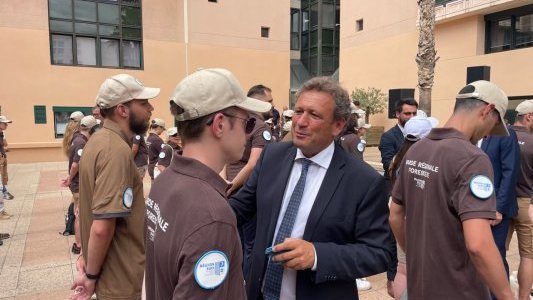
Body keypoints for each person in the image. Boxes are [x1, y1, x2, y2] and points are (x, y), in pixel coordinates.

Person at [230, 76, 392, 300]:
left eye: (314, 115)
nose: (300, 122)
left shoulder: (363, 181)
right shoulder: (272, 156)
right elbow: (239, 207)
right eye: (298, 111)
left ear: (338, 125)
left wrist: (317, 255)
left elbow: (379, 253)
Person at [144, 68, 271, 299]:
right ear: (220, 124)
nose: (248, 133)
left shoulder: (164, 183)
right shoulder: (213, 215)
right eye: (248, 123)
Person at [389, 80, 514, 300]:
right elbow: (478, 244)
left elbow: (395, 214)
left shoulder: (417, 149)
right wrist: (506, 295)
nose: (487, 135)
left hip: (420, 285)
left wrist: (419, 256)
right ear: (488, 110)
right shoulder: (472, 158)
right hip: (459, 289)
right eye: (493, 126)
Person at [71, 74, 159, 300]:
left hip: (112, 275)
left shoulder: (98, 141)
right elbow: (102, 226)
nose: (151, 108)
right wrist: (90, 276)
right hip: (119, 280)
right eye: (143, 103)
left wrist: (85, 258)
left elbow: (88, 207)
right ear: (122, 110)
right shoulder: (115, 150)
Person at [224, 84, 274, 278]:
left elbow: (226, 157)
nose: (273, 105)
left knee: (237, 242)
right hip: (246, 192)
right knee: (251, 244)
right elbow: (254, 164)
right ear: (258, 102)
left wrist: (226, 184)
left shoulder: (238, 123)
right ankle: (246, 285)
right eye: (269, 101)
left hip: (231, 190)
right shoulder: (260, 126)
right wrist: (233, 185)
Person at [387, 115, 438, 300]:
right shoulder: (425, 159)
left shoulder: (397, 157)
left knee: (403, 268)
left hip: (398, 213)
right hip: (418, 216)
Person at [378, 97, 418, 294]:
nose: (411, 117)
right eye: (407, 113)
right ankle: (392, 280)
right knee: (393, 242)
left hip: (416, 199)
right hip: (394, 196)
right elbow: (389, 167)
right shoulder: (389, 137)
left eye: (414, 113)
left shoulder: (422, 136)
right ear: (397, 114)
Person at [478, 119, 520, 294]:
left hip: (496, 209)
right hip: (473, 207)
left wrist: (499, 208)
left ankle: (498, 295)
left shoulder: (506, 134)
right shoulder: (472, 134)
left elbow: (510, 172)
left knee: (494, 256)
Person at [61, 116, 99, 255]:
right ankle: (80, 245)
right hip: (79, 186)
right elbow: (76, 164)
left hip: (77, 184)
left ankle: (79, 244)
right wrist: (70, 179)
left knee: (79, 213)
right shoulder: (81, 143)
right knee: (81, 215)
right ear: (92, 129)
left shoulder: (76, 138)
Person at [507, 99, 533, 300]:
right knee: (528, 255)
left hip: (502, 201)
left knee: (497, 251)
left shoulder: (500, 135)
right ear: (529, 117)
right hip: (527, 203)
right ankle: (523, 298)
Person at [0, 116, 13, 219]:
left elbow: (5, 144)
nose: (6, 125)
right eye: (5, 123)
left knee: (2, 183)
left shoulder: (1, 133)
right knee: (0, 188)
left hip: (2, 159)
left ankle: (2, 211)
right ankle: (1, 212)